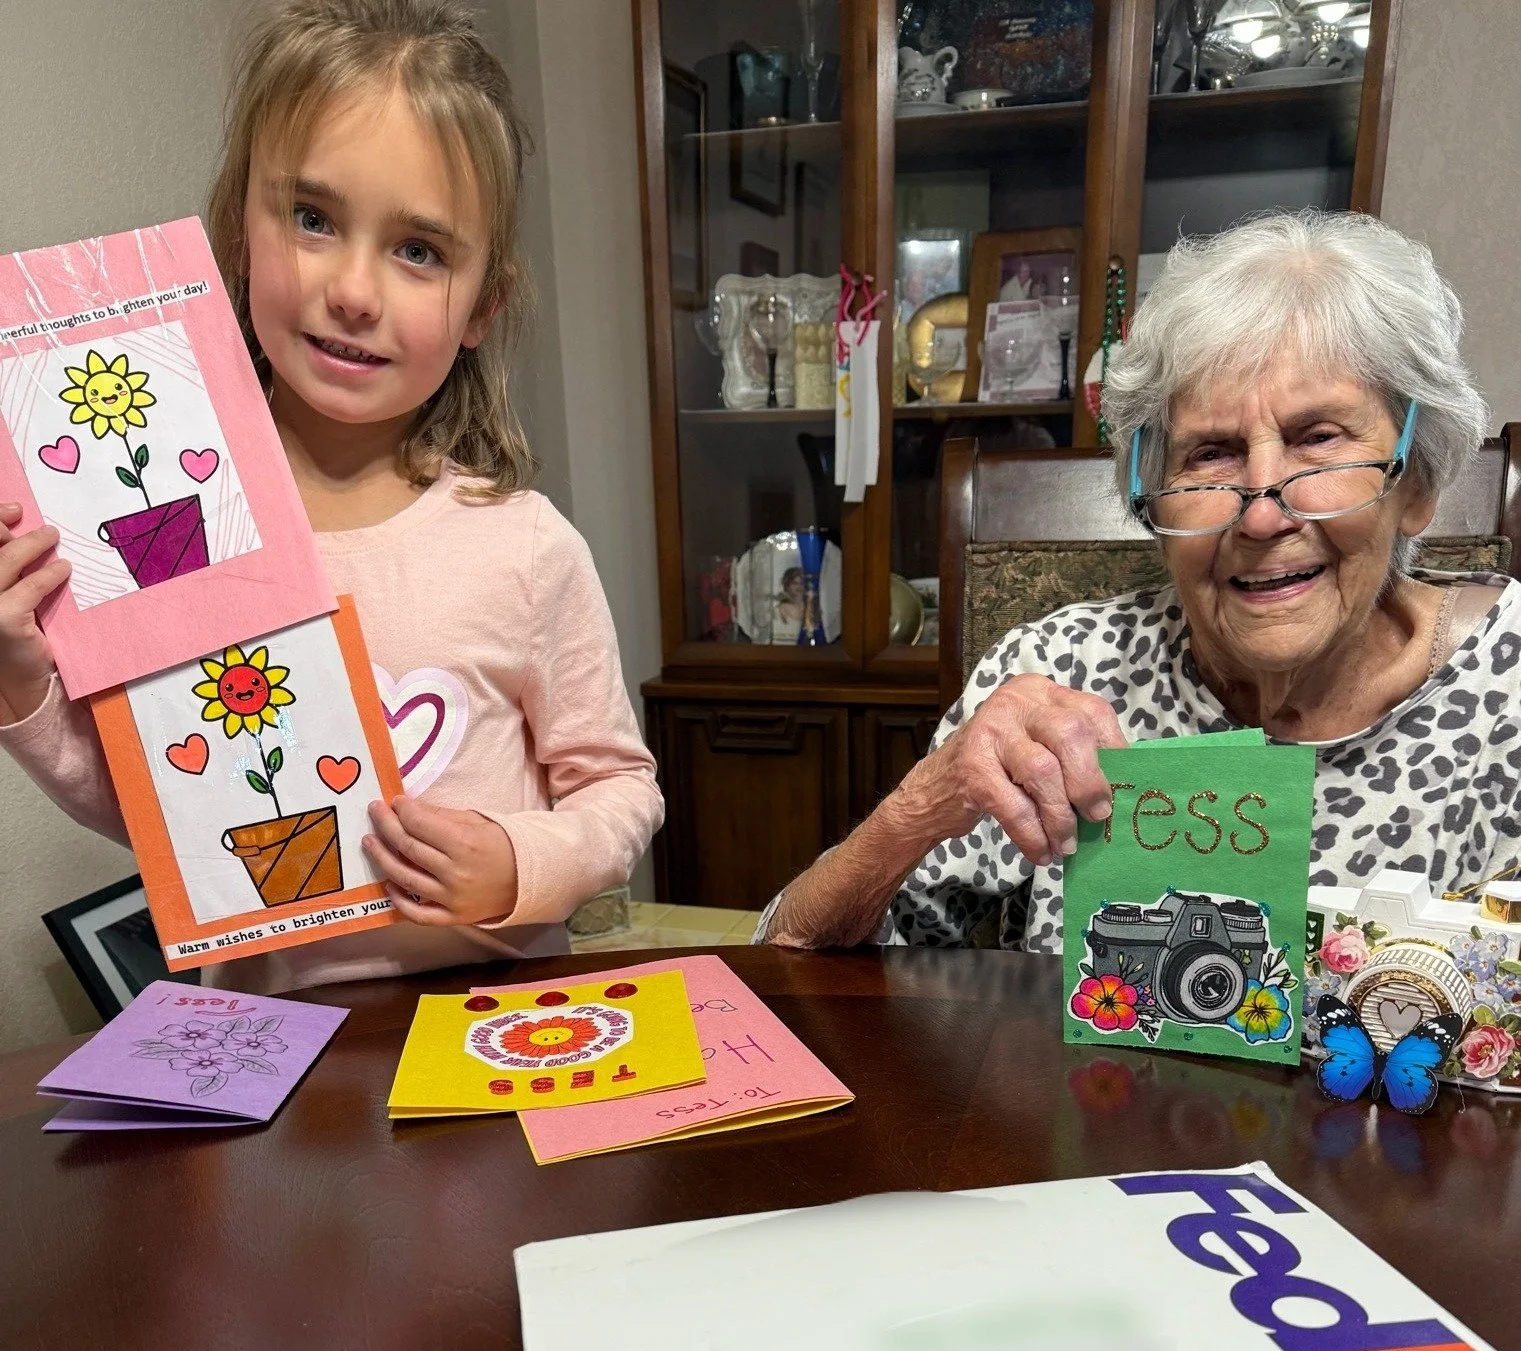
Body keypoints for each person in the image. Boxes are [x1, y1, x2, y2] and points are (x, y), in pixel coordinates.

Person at [0, 0, 662, 992]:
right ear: (237, 232)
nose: (355, 290)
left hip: (498, 1036)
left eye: (419, 249)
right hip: (279, 1066)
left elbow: (619, 788)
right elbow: (161, 802)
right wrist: (24, 684)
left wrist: (520, 862)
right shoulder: (173, 535)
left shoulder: (523, 546)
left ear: (483, 303)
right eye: (313, 219)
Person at [762, 209, 1516, 954]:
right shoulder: (1059, 671)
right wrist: (925, 802)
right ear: (1151, 499)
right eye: (1210, 453)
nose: (1261, 516)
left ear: (1413, 483)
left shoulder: (1505, 691)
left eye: (1316, 439)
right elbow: (788, 951)